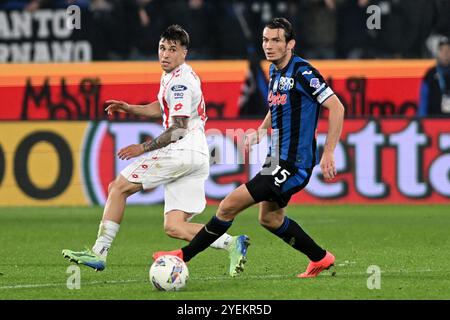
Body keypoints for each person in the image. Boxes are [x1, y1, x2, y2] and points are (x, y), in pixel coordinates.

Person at [153, 17, 345, 278]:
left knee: (228, 205)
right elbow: (277, 105)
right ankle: (321, 258)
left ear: (291, 44)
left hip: (292, 163)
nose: (269, 45)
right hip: (275, 158)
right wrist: (261, 130)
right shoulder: (275, 71)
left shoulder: (303, 72)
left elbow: (336, 106)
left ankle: (183, 256)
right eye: (266, 39)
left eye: (276, 40)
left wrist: (330, 151)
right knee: (270, 219)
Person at [62, 25, 250, 277]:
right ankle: (232, 242)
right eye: (162, 48)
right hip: (197, 154)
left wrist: (143, 147)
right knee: (175, 226)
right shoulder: (177, 75)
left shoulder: (179, 82)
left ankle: (99, 252)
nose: (166, 54)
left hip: (181, 150)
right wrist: (130, 108)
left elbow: (178, 129)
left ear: (185, 52)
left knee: (118, 187)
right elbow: (161, 108)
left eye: (173, 49)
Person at [418, 36, 450, 117]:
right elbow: (424, 99)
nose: (445, 53)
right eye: (442, 50)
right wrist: (422, 120)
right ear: (437, 53)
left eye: (448, 50)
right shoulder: (430, 74)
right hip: (434, 121)